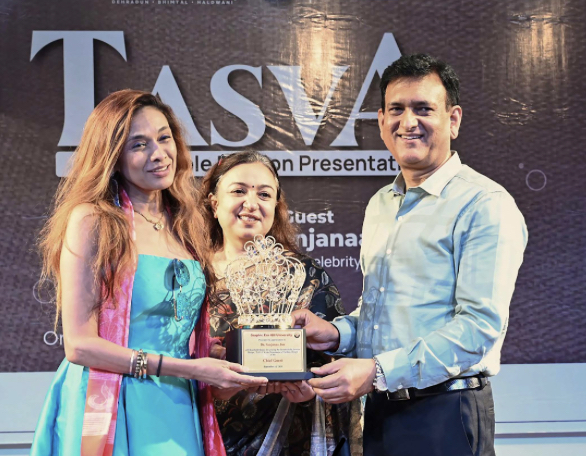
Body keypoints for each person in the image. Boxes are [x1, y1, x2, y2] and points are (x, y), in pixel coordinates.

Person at [293, 54, 528, 456]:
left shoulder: (484, 204)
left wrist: (376, 371)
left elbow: (478, 328)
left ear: (453, 119)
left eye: (423, 109)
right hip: (379, 410)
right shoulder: (381, 203)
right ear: (381, 120)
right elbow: (381, 315)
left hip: (445, 412)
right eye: (397, 109)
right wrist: (336, 334)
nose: (408, 122)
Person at [30, 90, 266, 456]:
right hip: (112, 401)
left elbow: (182, 335)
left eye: (164, 138)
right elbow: (79, 345)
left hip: (177, 402)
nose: (159, 153)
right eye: (139, 144)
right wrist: (190, 369)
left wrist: (221, 361)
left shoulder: (186, 224)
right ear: (113, 156)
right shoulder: (93, 220)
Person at [199, 151, 361, 456]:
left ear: (276, 205)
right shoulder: (190, 275)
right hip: (202, 436)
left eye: (264, 194)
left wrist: (309, 391)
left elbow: (338, 367)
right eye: (238, 191)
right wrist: (213, 385)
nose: (251, 203)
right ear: (214, 202)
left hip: (288, 440)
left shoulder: (308, 277)